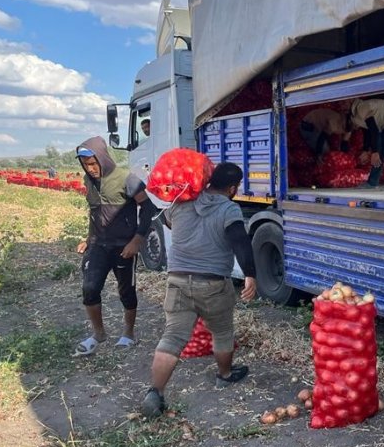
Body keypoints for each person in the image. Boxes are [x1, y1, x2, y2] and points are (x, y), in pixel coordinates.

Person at [141, 162, 257, 417]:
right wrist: (250, 274)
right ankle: (224, 375)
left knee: (173, 336)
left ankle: (155, 392)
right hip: (213, 284)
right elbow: (240, 241)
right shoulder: (229, 208)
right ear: (233, 188)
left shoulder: (182, 202)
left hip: (177, 281)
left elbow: (167, 221)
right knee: (222, 331)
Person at [74, 137, 156, 355]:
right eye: (85, 165)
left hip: (124, 247)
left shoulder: (127, 179)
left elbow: (148, 208)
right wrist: (88, 239)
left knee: (126, 291)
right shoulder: (89, 181)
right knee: (90, 289)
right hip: (98, 245)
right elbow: (95, 213)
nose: (90, 169)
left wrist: (137, 240)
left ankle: (128, 333)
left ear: (103, 158)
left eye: (93, 164)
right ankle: (98, 334)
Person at [348, 97, 384, 189]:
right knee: (381, 153)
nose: (355, 129)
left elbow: (374, 131)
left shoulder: (362, 108)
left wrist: (375, 152)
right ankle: (372, 182)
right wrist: (365, 150)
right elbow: (367, 133)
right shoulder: (357, 117)